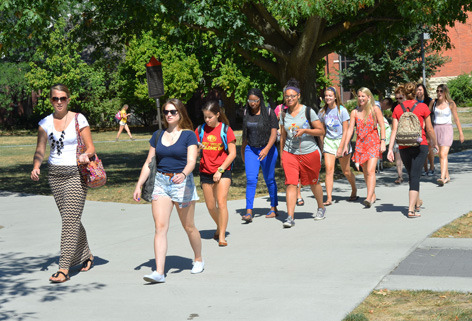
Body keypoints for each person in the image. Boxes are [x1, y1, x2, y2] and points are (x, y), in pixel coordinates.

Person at [133, 98, 203, 283]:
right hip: (161, 183)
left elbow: (191, 161)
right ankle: (159, 272)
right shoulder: (157, 135)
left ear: (180, 113)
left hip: (182, 183)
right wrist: (139, 184)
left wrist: (183, 173)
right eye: (166, 112)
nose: (169, 115)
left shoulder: (189, 135)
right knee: (160, 227)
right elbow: (149, 162)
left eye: (173, 111)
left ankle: (198, 259)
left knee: (188, 226)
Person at [31, 84, 95, 283]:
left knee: (69, 220)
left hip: (76, 173)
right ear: (50, 100)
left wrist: (85, 155)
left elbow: (91, 147)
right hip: (55, 175)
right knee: (71, 219)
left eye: (63, 98)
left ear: (68, 99)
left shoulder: (79, 118)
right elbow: (40, 149)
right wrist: (36, 166)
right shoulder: (45, 123)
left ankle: (64, 268)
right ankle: (87, 255)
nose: (59, 102)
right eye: (55, 99)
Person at [279, 78, 326, 227]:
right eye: (287, 96)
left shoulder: (308, 111)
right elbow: (283, 136)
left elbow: (321, 131)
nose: (289, 99)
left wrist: (305, 130)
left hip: (309, 152)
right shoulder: (283, 114)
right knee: (291, 184)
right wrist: (282, 154)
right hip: (290, 153)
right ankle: (290, 217)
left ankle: (321, 207)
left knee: (313, 182)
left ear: (299, 96)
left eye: (292, 96)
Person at [388, 83, 439, 218]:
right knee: (415, 176)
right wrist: (435, 143)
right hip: (419, 144)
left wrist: (390, 149)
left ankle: (417, 203)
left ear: (404, 93)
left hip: (403, 146)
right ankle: (411, 210)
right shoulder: (422, 107)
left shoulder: (398, 108)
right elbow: (429, 129)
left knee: (412, 175)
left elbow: (394, 130)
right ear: (415, 93)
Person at [196, 101, 236, 246]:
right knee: (211, 206)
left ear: (217, 114)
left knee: (221, 202)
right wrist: (198, 149)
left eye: (210, 117)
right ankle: (219, 226)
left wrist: (220, 170)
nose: (207, 120)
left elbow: (232, 153)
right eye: (205, 117)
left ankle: (222, 236)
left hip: (223, 170)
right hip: (205, 171)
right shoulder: (200, 130)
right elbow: (194, 151)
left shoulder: (226, 130)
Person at [344, 87, 386, 208]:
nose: (361, 98)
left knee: (370, 170)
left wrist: (383, 142)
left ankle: (368, 197)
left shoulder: (375, 109)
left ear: (369, 97)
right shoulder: (354, 112)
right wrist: (346, 144)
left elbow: (382, 126)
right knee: (365, 172)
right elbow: (350, 129)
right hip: (361, 145)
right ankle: (372, 194)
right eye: (359, 96)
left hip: (373, 142)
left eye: (363, 96)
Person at [241, 89, 279, 221]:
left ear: (260, 100)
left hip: (267, 149)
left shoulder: (269, 113)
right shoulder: (246, 112)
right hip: (251, 149)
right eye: (250, 100)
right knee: (251, 180)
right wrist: (243, 151)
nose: (253, 103)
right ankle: (249, 211)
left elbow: (274, 134)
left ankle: (273, 207)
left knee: (269, 179)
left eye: (255, 101)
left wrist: (267, 149)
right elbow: (245, 135)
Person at [318, 87, 357, 205]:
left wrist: (341, 147)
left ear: (335, 97)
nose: (328, 98)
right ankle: (329, 198)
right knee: (329, 170)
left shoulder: (342, 111)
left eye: (330, 95)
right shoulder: (322, 112)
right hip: (329, 142)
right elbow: (321, 129)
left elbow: (346, 131)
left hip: (342, 141)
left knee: (346, 171)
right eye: (326, 96)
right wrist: (322, 143)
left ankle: (354, 189)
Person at [429, 84, 465, 186]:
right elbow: (427, 114)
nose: (439, 93)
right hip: (436, 129)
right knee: (440, 154)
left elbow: (456, 119)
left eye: (441, 91)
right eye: (437, 91)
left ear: (445, 92)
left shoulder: (451, 103)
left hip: (447, 129)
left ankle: (442, 177)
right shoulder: (433, 102)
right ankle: (447, 176)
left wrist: (461, 133)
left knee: (443, 154)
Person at [416, 84, 435, 176]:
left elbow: (429, 112)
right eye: (417, 90)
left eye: (420, 90)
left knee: (429, 147)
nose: (419, 91)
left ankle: (432, 167)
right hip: (418, 127)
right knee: (422, 149)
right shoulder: (414, 101)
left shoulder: (429, 100)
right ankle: (425, 169)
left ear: (424, 90)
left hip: (427, 125)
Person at [392, 86, 406, 184]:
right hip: (398, 134)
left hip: (410, 134)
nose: (398, 100)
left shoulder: (410, 105)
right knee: (398, 155)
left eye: (400, 98)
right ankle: (400, 176)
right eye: (397, 98)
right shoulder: (395, 107)